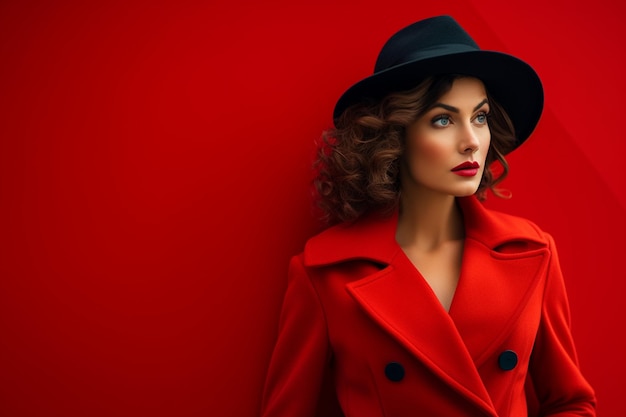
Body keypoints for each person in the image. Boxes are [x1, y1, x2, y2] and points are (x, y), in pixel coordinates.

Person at [260, 15, 596, 417]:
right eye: (443, 120)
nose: (472, 141)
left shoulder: (533, 253)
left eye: (480, 117)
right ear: (395, 136)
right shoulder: (325, 274)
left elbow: (572, 402)